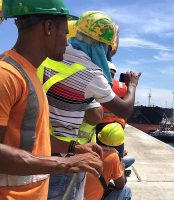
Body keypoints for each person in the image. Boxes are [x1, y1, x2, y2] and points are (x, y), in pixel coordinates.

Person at [0, 1, 104, 199]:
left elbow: (32, 139)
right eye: (65, 33)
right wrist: (65, 164)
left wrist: (73, 149)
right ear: (48, 27)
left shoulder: (30, 73)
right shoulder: (6, 74)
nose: (67, 42)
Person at [38, 11, 140, 199]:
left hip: (36, 149)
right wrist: (132, 85)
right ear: (102, 47)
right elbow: (125, 110)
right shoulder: (91, 74)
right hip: (63, 158)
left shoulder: (51, 55)